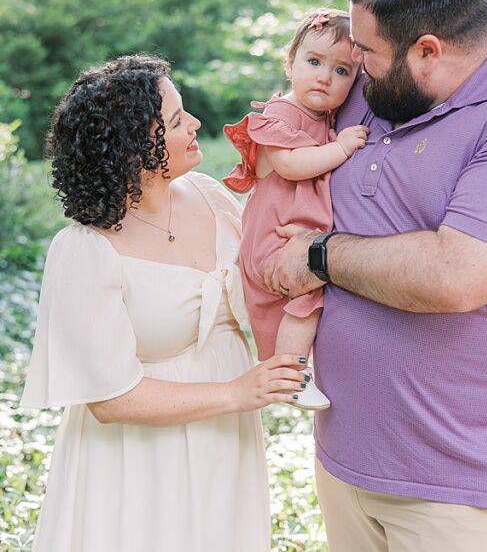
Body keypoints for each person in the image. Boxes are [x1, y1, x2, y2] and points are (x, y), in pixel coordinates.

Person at [262, 0, 487, 552]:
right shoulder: (366, 88)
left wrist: (319, 254)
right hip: (340, 459)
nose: (354, 70)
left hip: (452, 488)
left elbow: (459, 274)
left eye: (367, 55)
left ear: (427, 50)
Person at [20, 55, 306, 552]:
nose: (195, 123)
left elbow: (264, 283)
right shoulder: (85, 251)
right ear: (134, 152)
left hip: (225, 443)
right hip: (139, 460)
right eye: (176, 120)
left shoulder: (209, 196)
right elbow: (109, 400)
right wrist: (236, 393)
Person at [223, 8, 368, 410]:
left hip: (284, 233)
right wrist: (339, 148)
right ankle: (290, 376)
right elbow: (289, 165)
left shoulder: (319, 117)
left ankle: (282, 368)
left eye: (342, 72)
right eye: (314, 62)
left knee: (293, 306)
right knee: (307, 298)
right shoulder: (280, 114)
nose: (325, 76)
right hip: (273, 236)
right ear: (290, 63)